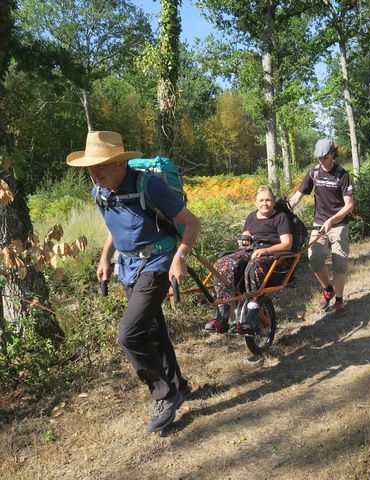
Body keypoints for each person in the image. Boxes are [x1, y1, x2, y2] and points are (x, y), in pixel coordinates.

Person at [66, 131, 201, 433]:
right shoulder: (100, 191)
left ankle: (164, 395)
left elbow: (192, 224)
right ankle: (178, 386)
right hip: (127, 265)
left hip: (158, 261)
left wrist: (181, 256)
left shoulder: (148, 185)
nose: (93, 172)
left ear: (119, 164)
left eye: (100, 165)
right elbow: (116, 227)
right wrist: (105, 258)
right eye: (90, 167)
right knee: (151, 328)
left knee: (129, 334)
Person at [203, 185, 293, 334]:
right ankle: (222, 316)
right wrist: (245, 236)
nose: (265, 203)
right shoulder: (252, 216)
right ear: (256, 202)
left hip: (272, 254)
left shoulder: (280, 217)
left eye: (268, 200)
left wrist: (265, 250)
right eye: (261, 200)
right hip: (251, 251)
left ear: (273, 201)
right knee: (223, 263)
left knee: (254, 264)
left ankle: (251, 316)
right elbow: (247, 231)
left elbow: (287, 244)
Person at [289, 138, 354, 313]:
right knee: (315, 259)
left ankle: (339, 300)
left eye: (324, 157)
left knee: (339, 263)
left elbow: (349, 205)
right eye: (318, 158)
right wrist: (283, 210)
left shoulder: (342, 175)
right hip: (319, 224)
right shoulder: (313, 173)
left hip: (338, 224)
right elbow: (297, 197)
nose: (321, 161)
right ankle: (327, 289)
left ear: (333, 154)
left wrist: (331, 220)